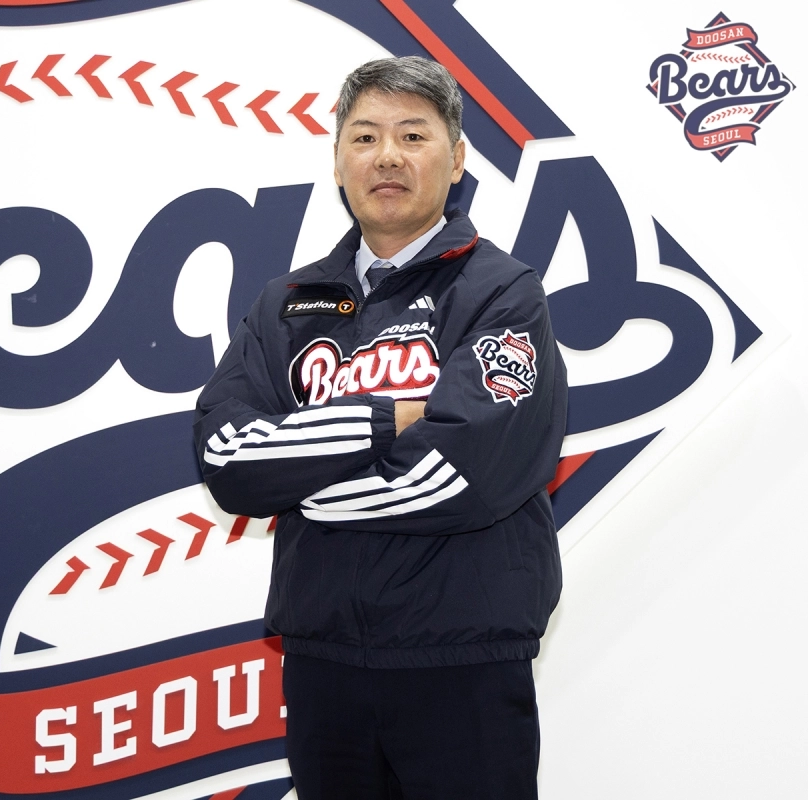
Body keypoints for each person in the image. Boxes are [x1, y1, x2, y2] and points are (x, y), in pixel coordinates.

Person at [193, 57, 567, 799]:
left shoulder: (503, 293)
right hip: (322, 660)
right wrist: (388, 417)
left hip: (462, 661)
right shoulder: (286, 303)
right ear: (338, 161)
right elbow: (228, 462)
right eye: (364, 137)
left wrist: (299, 484)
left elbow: (460, 474)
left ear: (456, 161)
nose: (387, 156)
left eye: (413, 136)